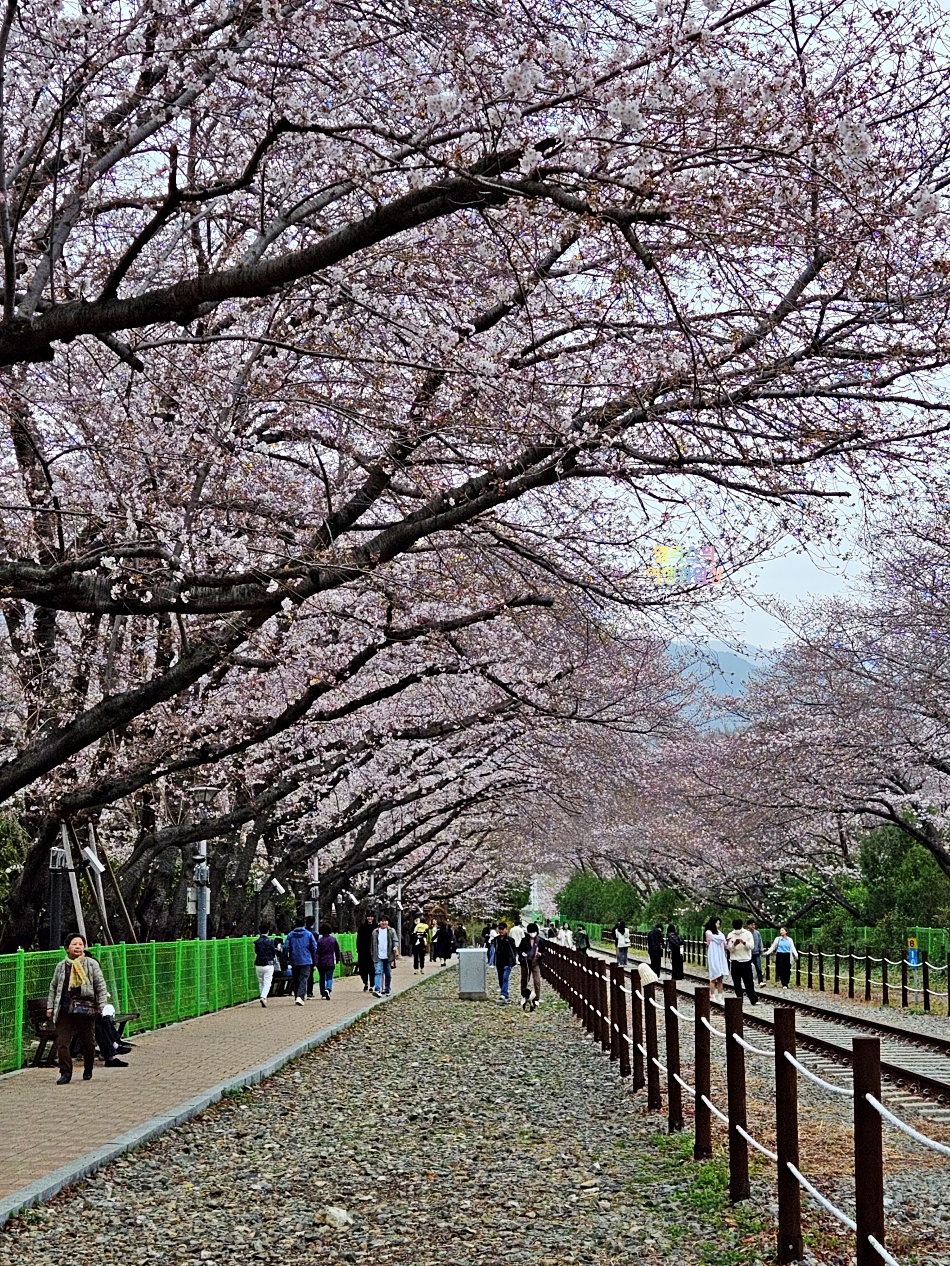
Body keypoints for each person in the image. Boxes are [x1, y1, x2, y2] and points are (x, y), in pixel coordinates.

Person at [46, 933, 108, 1084]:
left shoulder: (91, 964)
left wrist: (102, 1006)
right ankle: (65, 1072)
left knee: (88, 1042)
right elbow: (53, 987)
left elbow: (100, 986)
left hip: (85, 1010)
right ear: (67, 948)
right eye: (74, 944)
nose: (78, 947)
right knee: (62, 1043)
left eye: (81, 944)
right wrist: (50, 1007)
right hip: (65, 1009)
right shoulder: (61, 966)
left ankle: (88, 1068)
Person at [284, 916, 319, 1005]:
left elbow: (285, 947)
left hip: (294, 960)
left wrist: (287, 957)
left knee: (296, 979)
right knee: (304, 978)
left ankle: (297, 996)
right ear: (303, 924)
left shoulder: (290, 935)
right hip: (306, 960)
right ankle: (300, 996)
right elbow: (314, 947)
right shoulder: (308, 934)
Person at [726, 918, 758, 1006]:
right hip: (735, 961)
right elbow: (729, 949)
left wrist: (744, 942)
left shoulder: (747, 934)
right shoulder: (730, 934)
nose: (737, 931)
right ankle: (739, 999)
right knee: (736, 982)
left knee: (748, 982)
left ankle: (753, 998)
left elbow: (751, 946)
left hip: (745, 961)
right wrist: (734, 945)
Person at [518, 922, 544, 1011]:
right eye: (531, 932)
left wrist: (540, 954)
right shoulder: (524, 940)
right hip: (525, 963)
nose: (532, 933)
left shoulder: (539, 940)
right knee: (524, 980)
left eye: (534, 932)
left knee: (537, 981)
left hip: (535, 963)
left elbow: (545, 952)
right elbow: (519, 950)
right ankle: (524, 996)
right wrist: (522, 953)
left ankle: (537, 998)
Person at [372, 915, 398, 995]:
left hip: (388, 955)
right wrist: (373, 953)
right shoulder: (375, 932)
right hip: (378, 955)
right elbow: (372, 944)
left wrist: (395, 947)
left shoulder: (391, 931)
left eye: (385, 921)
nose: (384, 922)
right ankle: (377, 989)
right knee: (378, 972)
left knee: (388, 973)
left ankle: (387, 989)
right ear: (379, 922)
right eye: (382, 921)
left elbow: (395, 940)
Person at [315, 923, 342, 999]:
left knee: (322, 978)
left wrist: (315, 963)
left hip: (321, 962)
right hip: (330, 961)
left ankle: (323, 993)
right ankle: (328, 989)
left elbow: (317, 952)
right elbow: (337, 950)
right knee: (329, 977)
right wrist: (337, 959)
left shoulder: (320, 941)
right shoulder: (333, 940)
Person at [254, 923, 278, 1006]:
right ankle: (263, 997)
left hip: (258, 963)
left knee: (261, 982)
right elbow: (273, 952)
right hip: (268, 964)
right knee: (267, 982)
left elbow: (256, 952)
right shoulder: (270, 941)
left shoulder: (257, 942)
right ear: (268, 931)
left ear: (259, 931)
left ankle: (262, 997)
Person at [493, 921, 517, 1004]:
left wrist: (513, 961)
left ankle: (503, 993)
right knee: (500, 978)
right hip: (499, 962)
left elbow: (514, 951)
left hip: (508, 962)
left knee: (505, 977)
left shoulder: (510, 940)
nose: (501, 931)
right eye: (499, 929)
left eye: (502, 929)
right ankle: (504, 994)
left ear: (506, 929)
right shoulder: (496, 940)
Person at [705, 917, 729, 997]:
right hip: (713, 955)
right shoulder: (708, 932)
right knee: (713, 976)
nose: (718, 925)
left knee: (720, 978)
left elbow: (723, 940)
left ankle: (720, 995)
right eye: (717, 923)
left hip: (721, 955)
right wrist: (723, 939)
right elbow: (719, 939)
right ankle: (712, 995)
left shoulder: (720, 932)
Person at [356, 911, 376, 992]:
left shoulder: (376, 927)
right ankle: (365, 982)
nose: (370, 918)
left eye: (371, 916)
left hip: (373, 952)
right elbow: (358, 939)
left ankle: (372, 984)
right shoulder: (362, 927)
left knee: (372, 969)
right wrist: (359, 949)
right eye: (368, 916)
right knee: (363, 969)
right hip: (363, 951)